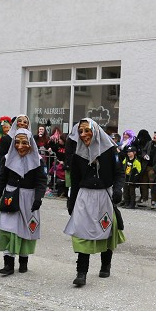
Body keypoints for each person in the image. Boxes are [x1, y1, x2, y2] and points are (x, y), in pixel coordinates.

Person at [64, 118, 125, 287]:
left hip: (104, 196)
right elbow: (75, 179)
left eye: (87, 130)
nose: (83, 135)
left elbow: (120, 173)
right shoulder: (78, 153)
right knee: (82, 233)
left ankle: (106, 264)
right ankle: (81, 273)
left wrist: (118, 190)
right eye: (80, 131)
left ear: (95, 131)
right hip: (84, 196)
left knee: (106, 230)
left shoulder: (110, 150)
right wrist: (72, 200)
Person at [0, 128, 46, 276]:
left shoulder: (38, 160)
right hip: (11, 196)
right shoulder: (7, 158)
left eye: (24, 142)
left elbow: (42, 181)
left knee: (25, 229)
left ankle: (23, 261)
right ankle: (8, 264)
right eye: (17, 142)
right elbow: (2, 178)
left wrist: (38, 198)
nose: (20, 146)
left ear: (30, 143)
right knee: (8, 229)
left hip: (29, 198)